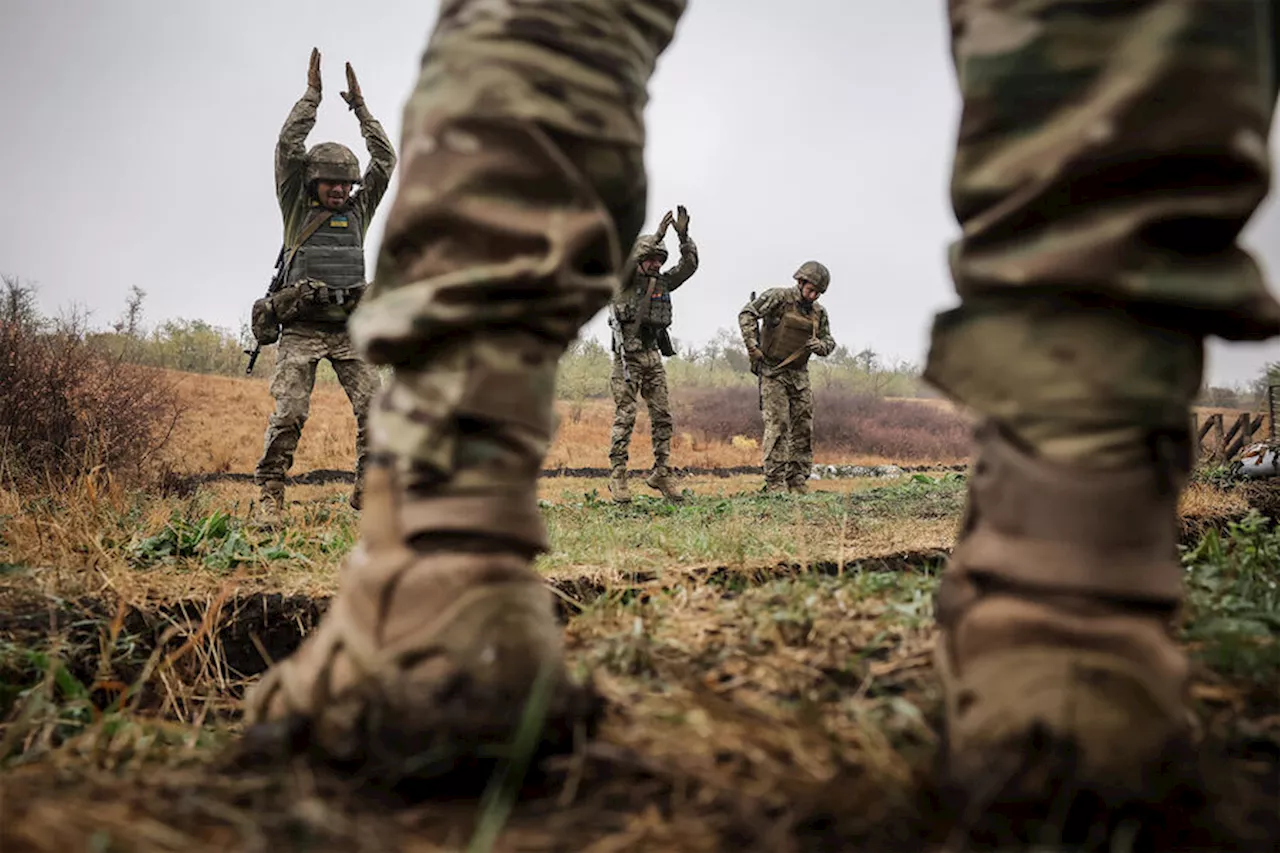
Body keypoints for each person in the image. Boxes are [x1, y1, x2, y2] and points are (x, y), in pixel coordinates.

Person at [242, 0, 1280, 830]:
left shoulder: (732, 296)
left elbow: (672, 261)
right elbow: (664, 279)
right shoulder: (314, 203)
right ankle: (1075, 599)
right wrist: (312, 110)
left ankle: (438, 569)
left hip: (534, 347)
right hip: (347, 333)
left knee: (556, 19)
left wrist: (692, 250)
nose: (336, 197)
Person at [251, 48, 397, 525]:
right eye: (330, 183)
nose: (339, 190)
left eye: (346, 184)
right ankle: (270, 494)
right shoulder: (296, 208)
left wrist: (360, 107)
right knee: (290, 413)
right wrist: (311, 97)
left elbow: (386, 159)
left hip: (351, 331)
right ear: (312, 183)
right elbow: (287, 147)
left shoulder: (359, 211)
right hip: (301, 330)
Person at [606, 208, 699, 503]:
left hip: (652, 357)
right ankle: (618, 476)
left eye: (660, 259)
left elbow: (690, 266)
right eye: (651, 259)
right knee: (626, 416)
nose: (656, 264)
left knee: (663, 417)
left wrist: (682, 237)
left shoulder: (663, 282)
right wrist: (657, 236)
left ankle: (661, 472)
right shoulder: (624, 281)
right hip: (627, 359)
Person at [738, 261, 836, 494]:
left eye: (818, 293)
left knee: (803, 427)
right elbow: (747, 313)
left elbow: (830, 342)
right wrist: (752, 345)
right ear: (800, 282)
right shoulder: (778, 297)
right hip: (773, 372)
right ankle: (775, 482)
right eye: (811, 290)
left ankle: (797, 480)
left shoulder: (818, 312)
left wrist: (819, 345)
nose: (813, 296)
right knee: (778, 425)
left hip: (799, 376)